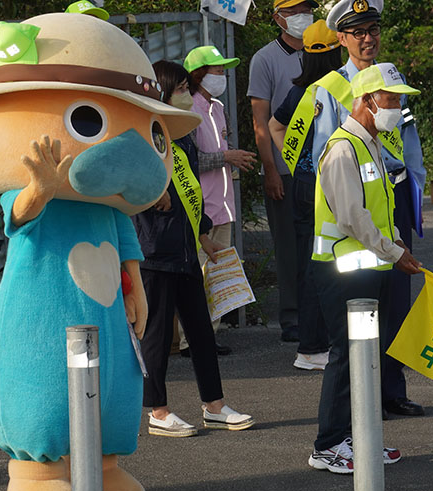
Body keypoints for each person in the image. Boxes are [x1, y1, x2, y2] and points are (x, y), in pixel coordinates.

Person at [311, 0, 426, 418]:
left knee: (396, 303)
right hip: (353, 207)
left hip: (390, 197)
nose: (367, 38)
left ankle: (391, 389)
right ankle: (363, 397)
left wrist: (416, 183)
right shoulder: (330, 87)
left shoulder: (393, 80)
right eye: (357, 31)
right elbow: (321, 153)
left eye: (373, 28)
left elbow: (410, 142)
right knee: (361, 312)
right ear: (342, 38)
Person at [133, 59, 254, 437]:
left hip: (184, 248)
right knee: (155, 334)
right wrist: (152, 195)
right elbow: (133, 186)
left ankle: (214, 405)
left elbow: (190, 194)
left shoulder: (180, 134)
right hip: (155, 250)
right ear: (164, 92)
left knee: (201, 330)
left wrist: (202, 233)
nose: (187, 94)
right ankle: (158, 411)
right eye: (182, 88)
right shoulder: (143, 134)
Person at [269, 19, 343, 371]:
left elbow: (274, 124)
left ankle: (311, 343)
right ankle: (315, 346)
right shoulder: (336, 89)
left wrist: (294, 159)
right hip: (327, 186)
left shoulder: (301, 91)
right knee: (328, 265)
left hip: (303, 184)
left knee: (308, 263)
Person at [179, 45, 257, 357]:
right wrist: (228, 156)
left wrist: (228, 157)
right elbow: (190, 159)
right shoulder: (189, 109)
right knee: (198, 275)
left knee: (217, 274)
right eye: (216, 70)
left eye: (222, 69)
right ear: (199, 75)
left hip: (222, 205)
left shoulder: (218, 107)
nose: (221, 75)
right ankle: (190, 341)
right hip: (201, 207)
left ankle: (208, 336)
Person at [248, 0, 318, 343]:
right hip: (285, 169)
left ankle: (321, 311)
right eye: (295, 11)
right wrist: (270, 169)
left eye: (307, 9)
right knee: (289, 248)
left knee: (322, 244)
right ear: (278, 18)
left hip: (323, 167)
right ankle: (293, 318)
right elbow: (260, 121)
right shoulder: (264, 59)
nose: (303, 16)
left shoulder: (323, 50)